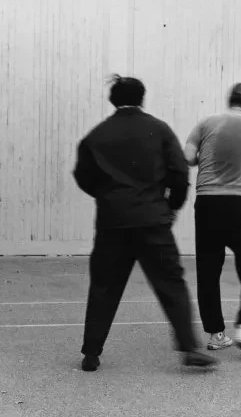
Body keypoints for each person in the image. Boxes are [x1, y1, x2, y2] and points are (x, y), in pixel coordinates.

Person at [73, 75, 216, 371]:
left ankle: (91, 352)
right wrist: (171, 206)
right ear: (142, 98)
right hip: (153, 221)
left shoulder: (97, 135)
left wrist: (108, 196)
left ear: (113, 100)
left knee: (104, 286)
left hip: (112, 223)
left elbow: (83, 176)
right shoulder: (159, 129)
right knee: (171, 284)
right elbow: (179, 172)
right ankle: (190, 348)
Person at [183, 82, 241, 359]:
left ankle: (216, 335)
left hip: (208, 202)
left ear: (230, 99)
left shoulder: (206, 122)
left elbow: (187, 157)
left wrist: (202, 157)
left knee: (208, 272)